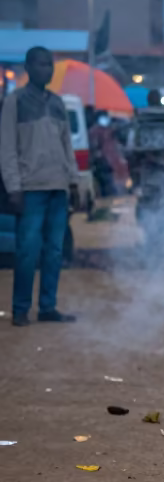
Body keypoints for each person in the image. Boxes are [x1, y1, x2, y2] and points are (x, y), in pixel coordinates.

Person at [0, 46, 78, 326]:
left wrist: (74, 182)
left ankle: (48, 307)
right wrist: (13, 187)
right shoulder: (15, 101)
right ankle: (20, 309)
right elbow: (6, 147)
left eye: (50, 65)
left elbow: (66, 146)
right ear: (29, 68)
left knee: (54, 251)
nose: (48, 69)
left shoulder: (58, 103)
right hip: (30, 188)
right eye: (42, 64)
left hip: (58, 186)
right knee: (27, 250)